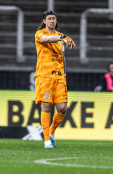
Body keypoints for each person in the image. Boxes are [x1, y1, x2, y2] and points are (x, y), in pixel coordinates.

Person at [34, 10, 75, 148]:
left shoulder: (60, 36)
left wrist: (65, 73)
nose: (52, 21)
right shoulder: (40, 34)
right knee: (46, 106)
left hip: (59, 76)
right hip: (45, 76)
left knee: (62, 108)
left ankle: (51, 132)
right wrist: (63, 37)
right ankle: (46, 140)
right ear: (44, 21)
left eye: (54, 18)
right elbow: (46, 40)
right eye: (49, 19)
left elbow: (62, 57)